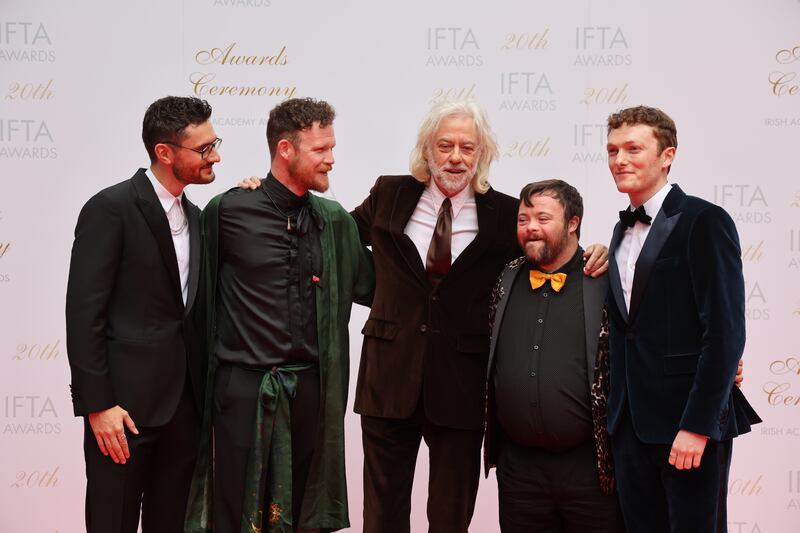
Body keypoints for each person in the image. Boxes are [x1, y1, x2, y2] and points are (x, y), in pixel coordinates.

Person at [350, 100, 608, 533]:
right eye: (445, 145)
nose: (455, 157)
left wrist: (595, 250)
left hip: (462, 384)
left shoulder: (507, 214)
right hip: (387, 378)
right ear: (426, 149)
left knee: (451, 516)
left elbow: (547, 249)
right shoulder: (388, 193)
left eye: (467, 148)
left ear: (481, 154)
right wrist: (264, 192)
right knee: (382, 512)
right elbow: (336, 237)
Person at [185, 97, 373, 533]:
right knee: (234, 515)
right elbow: (194, 299)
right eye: (320, 150)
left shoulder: (334, 220)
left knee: (305, 517)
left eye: (332, 148)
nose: (331, 159)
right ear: (285, 150)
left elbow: (377, 289)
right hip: (240, 393)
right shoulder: (226, 212)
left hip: (310, 394)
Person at [65, 96, 220, 532]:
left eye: (214, 144)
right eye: (204, 149)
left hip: (184, 412)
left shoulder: (200, 216)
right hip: (123, 413)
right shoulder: (110, 208)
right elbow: (83, 313)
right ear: (165, 152)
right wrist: (98, 405)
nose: (216, 155)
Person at [604, 105, 760, 532]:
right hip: (630, 427)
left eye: (634, 148)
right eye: (613, 150)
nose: (620, 160)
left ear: (667, 155)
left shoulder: (704, 220)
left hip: (687, 427)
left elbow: (725, 332)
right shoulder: (619, 232)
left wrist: (697, 425)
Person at [484, 179, 624, 533]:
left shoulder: (606, 279)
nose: (531, 227)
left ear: (573, 222)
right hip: (519, 471)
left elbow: (651, 339)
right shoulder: (507, 276)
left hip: (589, 470)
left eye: (543, 218)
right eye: (523, 219)